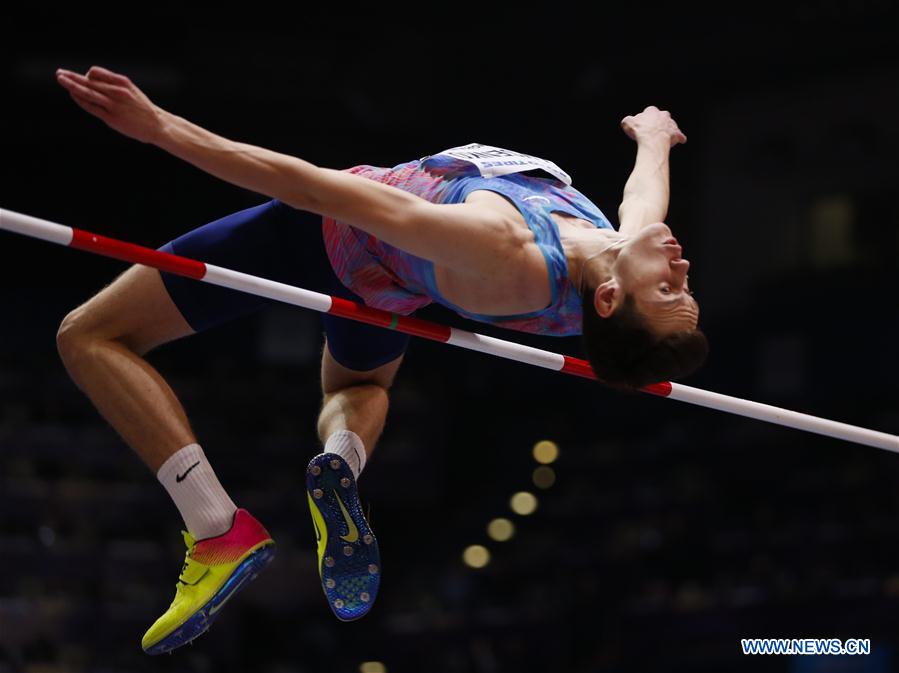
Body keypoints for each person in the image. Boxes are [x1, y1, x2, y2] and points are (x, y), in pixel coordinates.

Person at [53, 66, 708, 654]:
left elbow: (315, 190)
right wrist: (653, 141)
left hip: (328, 239)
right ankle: (340, 460)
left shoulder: (502, 248)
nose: (680, 267)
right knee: (360, 382)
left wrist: (160, 127)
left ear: (611, 297)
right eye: (683, 288)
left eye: (667, 287)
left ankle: (215, 526)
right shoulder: (609, 268)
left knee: (88, 335)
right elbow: (641, 206)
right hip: (394, 288)